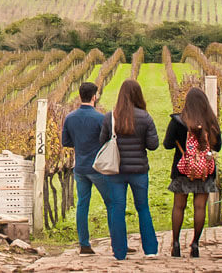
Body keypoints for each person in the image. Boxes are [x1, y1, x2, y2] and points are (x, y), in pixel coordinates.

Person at [97, 79, 160, 259]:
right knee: (143, 208)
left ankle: (119, 251)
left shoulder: (111, 116)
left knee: (117, 208)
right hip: (139, 170)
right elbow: (153, 145)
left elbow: (102, 142)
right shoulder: (145, 117)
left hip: (115, 171)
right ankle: (150, 250)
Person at [164, 87, 221, 258]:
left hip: (183, 169)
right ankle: (195, 244)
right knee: (200, 207)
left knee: (179, 206)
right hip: (204, 171)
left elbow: (167, 144)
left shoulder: (178, 121)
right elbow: (218, 146)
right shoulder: (210, 122)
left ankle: (175, 243)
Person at [61, 81, 114, 256]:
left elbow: (66, 142)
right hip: (98, 168)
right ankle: (117, 242)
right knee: (112, 203)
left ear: (79, 95)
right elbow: (108, 141)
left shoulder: (70, 118)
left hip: (80, 167)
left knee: (82, 204)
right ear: (94, 96)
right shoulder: (101, 118)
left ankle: (84, 244)